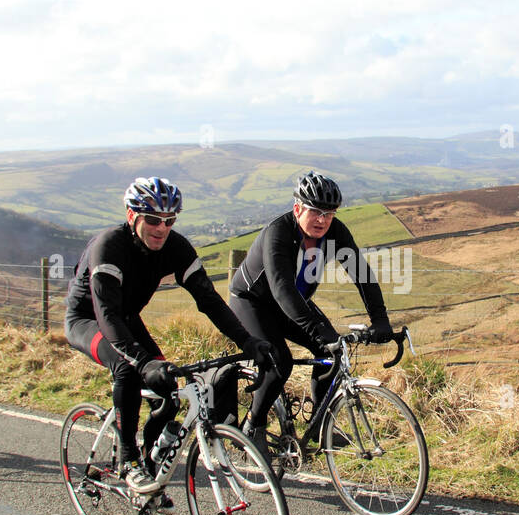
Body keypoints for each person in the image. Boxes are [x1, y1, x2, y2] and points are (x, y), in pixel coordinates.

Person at [65, 176, 276, 498]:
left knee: (167, 392)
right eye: (153, 219)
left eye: (169, 220)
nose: (161, 228)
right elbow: (105, 313)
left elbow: (209, 301)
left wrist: (247, 341)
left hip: (126, 321)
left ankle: (149, 467)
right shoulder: (110, 246)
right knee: (128, 368)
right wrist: (141, 360)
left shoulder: (175, 247)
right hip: (88, 320)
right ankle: (127, 459)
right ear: (132, 215)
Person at [229, 171, 394, 450]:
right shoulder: (278, 233)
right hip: (252, 301)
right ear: (297, 208)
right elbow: (282, 289)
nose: (322, 220)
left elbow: (361, 274)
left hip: (294, 303)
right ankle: (253, 424)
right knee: (279, 361)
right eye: (315, 211)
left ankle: (319, 427)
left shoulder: (336, 232)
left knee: (332, 354)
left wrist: (380, 319)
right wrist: (318, 330)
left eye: (329, 213)